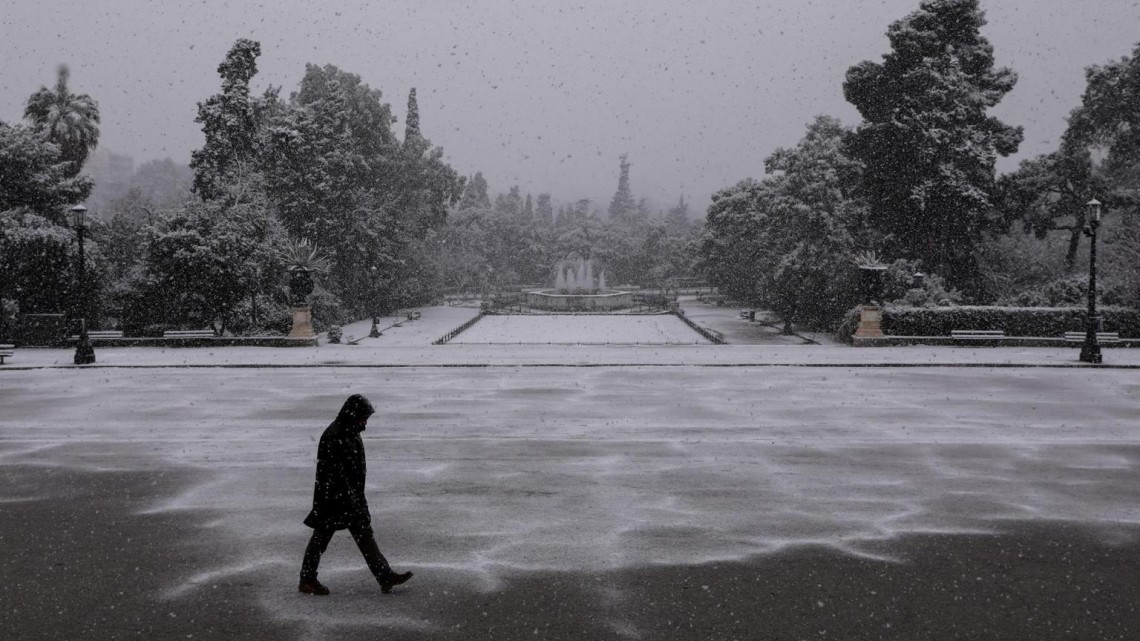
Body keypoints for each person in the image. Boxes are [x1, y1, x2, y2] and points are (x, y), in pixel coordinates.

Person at [298, 394, 413, 596]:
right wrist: (350, 500)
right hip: (333, 500)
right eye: (363, 418)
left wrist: (357, 499)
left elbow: (354, 472)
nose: (365, 423)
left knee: (364, 537)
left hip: (349, 498)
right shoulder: (335, 435)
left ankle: (385, 577)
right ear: (353, 415)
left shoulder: (350, 431)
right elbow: (335, 474)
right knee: (320, 539)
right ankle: (307, 580)